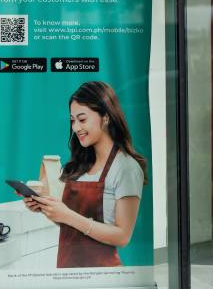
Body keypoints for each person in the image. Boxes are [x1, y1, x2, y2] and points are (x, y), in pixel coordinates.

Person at [23, 81, 147, 268]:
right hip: (68, 272)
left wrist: (67, 216)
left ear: (105, 117)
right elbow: (70, 226)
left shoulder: (126, 168)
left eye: (82, 119)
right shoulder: (79, 168)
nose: (75, 127)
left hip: (104, 277)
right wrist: (46, 208)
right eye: (72, 120)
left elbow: (122, 237)